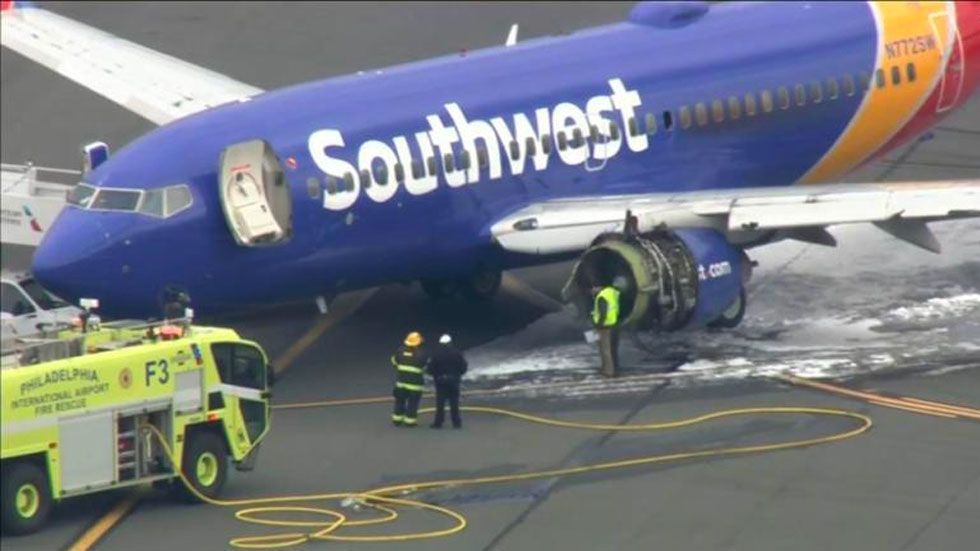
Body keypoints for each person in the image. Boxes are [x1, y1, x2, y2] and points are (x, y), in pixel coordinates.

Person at [426, 334, 468, 429]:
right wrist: (458, 375)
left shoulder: (436, 354)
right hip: (454, 380)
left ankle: (438, 422)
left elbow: (430, 369)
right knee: (454, 402)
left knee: (440, 403)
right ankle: (456, 423)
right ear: (450, 343)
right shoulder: (457, 353)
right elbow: (463, 367)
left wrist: (435, 375)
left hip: (440, 381)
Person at [391, 331, 427, 427]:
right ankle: (410, 422)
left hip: (401, 382)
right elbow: (425, 367)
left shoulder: (400, 351)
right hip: (415, 384)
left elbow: (394, 361)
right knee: (412, 404)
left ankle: (397, 420)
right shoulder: (421, 354)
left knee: (399, 401)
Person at [592, 278, 624, 377]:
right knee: (613, 349)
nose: (592, 290)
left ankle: (608, 371)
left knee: (605, 350)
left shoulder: (602, 296)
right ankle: (615, 369)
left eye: (593, 288)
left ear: (598, 287)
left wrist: (598, 326)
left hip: (604, 327)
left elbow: (603, 312)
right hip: (614, 324)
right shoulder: (612, 293)